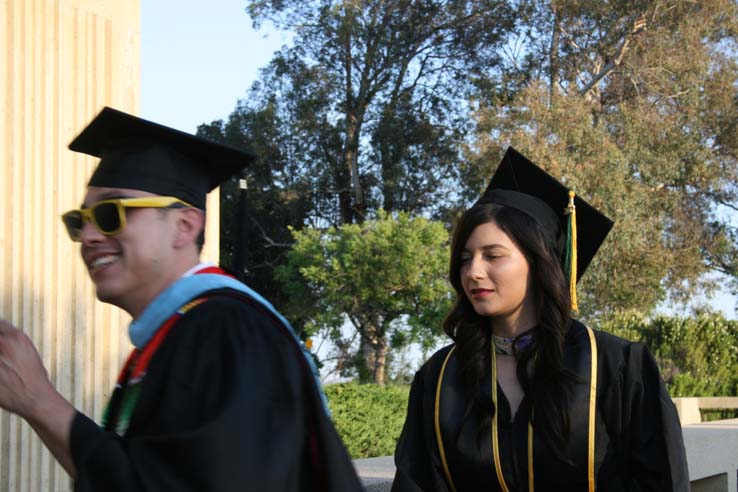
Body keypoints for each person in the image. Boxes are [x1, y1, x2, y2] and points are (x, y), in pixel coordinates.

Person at [0, 107, 363, 491]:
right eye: (80, 221)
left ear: (185, 226)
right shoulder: (181, 334)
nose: (89, 236)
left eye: (110, 214)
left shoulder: (226, 331)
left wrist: (41, 401)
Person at [391, 147, 689, 491]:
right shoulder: (441, 379)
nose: (473, 272)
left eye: (493, 256)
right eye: (464, 258)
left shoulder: (615, 367)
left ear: (540, 262)